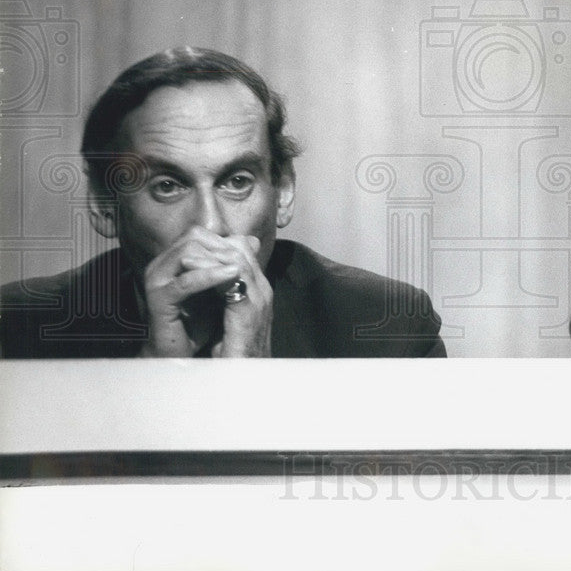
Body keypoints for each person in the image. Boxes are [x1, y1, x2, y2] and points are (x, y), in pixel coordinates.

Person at [1, 48, 446, 359]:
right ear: (103, 204)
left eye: (236, 181)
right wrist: (154, 380)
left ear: (283, 191)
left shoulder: (387, 329)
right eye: (167, 186)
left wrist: (253, 386)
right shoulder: (16, 329)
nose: (210, 226)